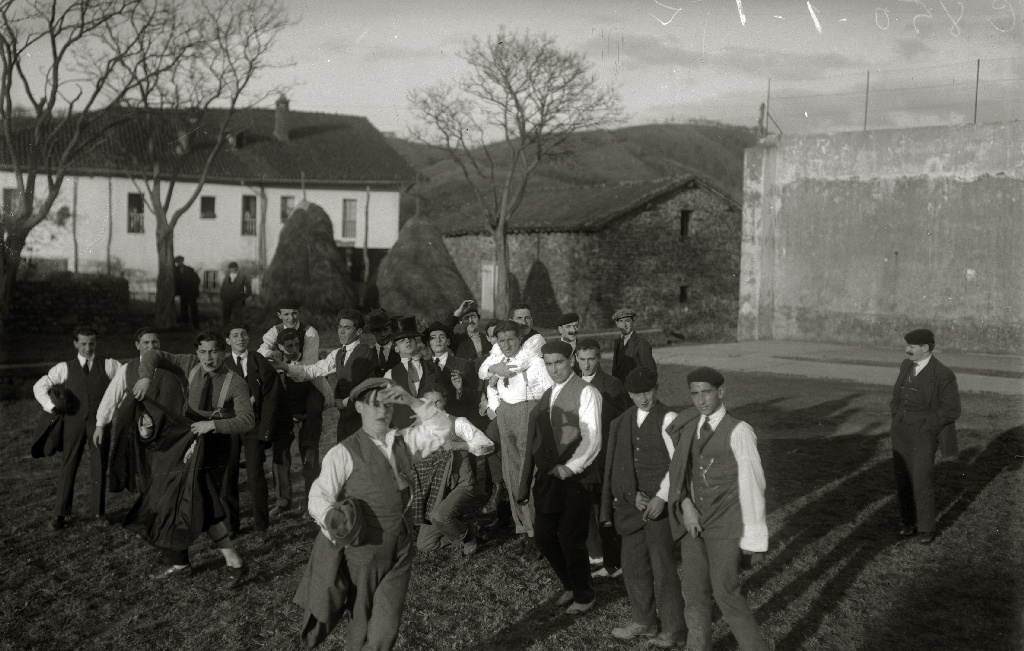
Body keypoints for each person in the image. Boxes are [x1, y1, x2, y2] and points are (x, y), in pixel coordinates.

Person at [294, 378, 480, 649]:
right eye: (374, 405)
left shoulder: (403, 441)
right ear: (359, 407)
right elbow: (318, 496)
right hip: (365, 549)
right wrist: (334, 523)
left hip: (400, 547)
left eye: (387, 405)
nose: (382, 411)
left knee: (387, 627)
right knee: (362, 622)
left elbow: (441, 428)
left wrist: (414, 401)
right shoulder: (343, 452)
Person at [132, 329, 255, 587]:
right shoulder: (189, 364)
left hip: (215, 445)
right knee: (174, 496)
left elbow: (247, 420)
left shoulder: (236, 382)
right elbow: (153, 355)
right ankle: (182, 562)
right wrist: (145, 377)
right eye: (202, 352)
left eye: (213, 352)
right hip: (186, 440)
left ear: (223, 352)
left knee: (201, 502)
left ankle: (231, 561)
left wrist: (213, 426)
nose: (208, 358)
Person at [667, 367, 769, 651]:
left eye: (707, 393)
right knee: (693, 592)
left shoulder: (739, 431)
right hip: (694, 523)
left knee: (726, 593)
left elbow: (753, 485)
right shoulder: (690, 425)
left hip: (725, 524)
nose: (700, 400)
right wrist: (685, 504)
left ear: (721, 392)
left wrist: (752, 537)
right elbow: (681, 473)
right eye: (695, 394)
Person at [600, 367, 687, 648]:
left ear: (656, 389)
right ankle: (644, 621)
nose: (643, 398)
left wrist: (661, 496)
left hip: (660, 507)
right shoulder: (623, 421)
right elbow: (618, 465)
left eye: (648, 392)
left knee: (663, 567)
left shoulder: (668, 418)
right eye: (637, 394)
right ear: (629, 394)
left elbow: (678, 463)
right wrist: (631, 495)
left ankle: (674, 628)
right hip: (634, 507)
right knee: (633, 565)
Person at [518, 340, 602, 614]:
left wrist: (571, 467)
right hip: (550, 478)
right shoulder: (549, 394)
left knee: (570, 538)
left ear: (571, 361)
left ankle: (585, 594)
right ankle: (570, 583)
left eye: (559, 363)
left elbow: (592, 438)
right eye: (549, 364)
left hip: (577, 479)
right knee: (544, 537)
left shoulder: (587, 392)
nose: (554, 369)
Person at [34, 326, 121, 530]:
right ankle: (60, 514)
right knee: (69, 464)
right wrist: (51, 406)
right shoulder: (64, 368)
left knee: (99, 465)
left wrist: (114, 409)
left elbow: (124, 385)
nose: (88, 348)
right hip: (73, 422)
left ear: (96, 343)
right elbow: (39, 386)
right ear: (75, 344)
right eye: (83, 344)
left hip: (99, 423)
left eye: (91, 343)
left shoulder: (109, 365)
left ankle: (98, 513)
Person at [484, 320, 554, 542]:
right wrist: (497, 407)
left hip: (528, 415)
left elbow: (550, 393)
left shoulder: (535, 362)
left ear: (520, 339)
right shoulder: (499, 363)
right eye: (501, 341)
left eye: (511, 340)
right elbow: (490, 386)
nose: (506, 345)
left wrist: (537, 416)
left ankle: (538, 529)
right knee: (511, 472)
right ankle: (523, 526)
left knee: (530, 473)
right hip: (506, 417)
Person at [890, 328, 961, 545]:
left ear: (925, 347)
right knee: (903, 479)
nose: (906, 350)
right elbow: (897, 396)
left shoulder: (943, 374)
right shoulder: (906, 365)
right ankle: (908, 522)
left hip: (923, 434)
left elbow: (951, 409)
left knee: (921, 479)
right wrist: (897, 417)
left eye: (911, 346)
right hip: (901, 431)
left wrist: (927, 426)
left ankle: (926, 528)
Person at [413, 385, 494, 554]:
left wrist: (461, 445)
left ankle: (466, 538)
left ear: (444, 401)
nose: (434, 407)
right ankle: (471, 529)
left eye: (438, 401)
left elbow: (488, 445)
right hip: (438, 491)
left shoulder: (457, 422)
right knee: (425, 545)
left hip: (463, 485)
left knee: (439, 516)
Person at [273, 309, 375, 443]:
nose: (341, 332)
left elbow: (361, 386)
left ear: (359, 331)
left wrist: (344, 402)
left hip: (362, 415)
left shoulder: (364, 351)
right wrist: (285, 367)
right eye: (340, 327)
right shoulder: (338, 353)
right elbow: (314, 370)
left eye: (347, 328)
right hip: (346, 415)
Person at [576, 338, 628, 580]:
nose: (587, 364)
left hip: (604, 453)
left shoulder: (612, 383)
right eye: (582, 359)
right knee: (584, 504)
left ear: (599, 358)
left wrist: (597, 400)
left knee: (605, 505)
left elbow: (621, 417)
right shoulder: (572, 382)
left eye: (591, 359)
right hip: (580, 454)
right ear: (576, 359)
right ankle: (595, 554)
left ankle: (614, 561)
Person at [223, 322, 279, 535]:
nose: (240, 339)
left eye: (244, 334)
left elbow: (271, 394)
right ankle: (231, 525)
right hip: (230, 426)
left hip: (253, 425)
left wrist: (265, 429)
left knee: (255, 474)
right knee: (228, 473)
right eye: (235, 335)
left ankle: (261, 525)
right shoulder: (223, 364)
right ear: (228, 340)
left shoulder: (258, 360)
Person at [257, 297, 328, 453]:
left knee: (314, 410)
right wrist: (270, 353)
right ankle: (268, 445)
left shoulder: (309, 332)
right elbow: (261, 349)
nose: (291, 318)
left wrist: (285, 366)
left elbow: (309, 367)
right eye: (286, 314)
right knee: (272, 409)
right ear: (279, 315)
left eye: (294, 313)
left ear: (299, 313)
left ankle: (310, 456)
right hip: (285, 381)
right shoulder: (275, 330)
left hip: (308, 380)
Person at [382, 320, 438, 429]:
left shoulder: (432, 367)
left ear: (416, 343)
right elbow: (387, 406)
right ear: (396, 348)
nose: (408, 341)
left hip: (431, 426)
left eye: (411, 338)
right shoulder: (390, 374)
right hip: (405, 429)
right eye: (402, 340)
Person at [476, 303, 545, 385]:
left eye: (527, 318)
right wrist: (493, 368)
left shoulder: (537, 340)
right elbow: (482, 371)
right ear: (511, 321)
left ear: (532, 321)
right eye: (519, 318)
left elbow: (517, 365)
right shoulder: (504, 338)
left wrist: (495, 375)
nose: (524, 322)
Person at [611, 308, 656, 384]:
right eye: (621, 321)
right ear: (617, 324)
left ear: (633, 322)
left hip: (636, 388)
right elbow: (616, 370)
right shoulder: (617, 343)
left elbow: (650, 371)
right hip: (620, 388)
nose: (624, 325)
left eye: (627, 321)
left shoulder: (642, 343)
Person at [366, 308, 400, 377]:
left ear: (391, 329)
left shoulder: (399, 352)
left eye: (385, 330)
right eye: (378, 331)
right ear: (373, 332)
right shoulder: (368, 355)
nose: (382, 334)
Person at [174, 256, 201, 329]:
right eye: (177, 262)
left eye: (180, 261)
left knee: (193, 309)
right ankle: (185, 326)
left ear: (182, 261)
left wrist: (192, 287)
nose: (178, 263)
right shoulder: (175, 271)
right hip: (183, 293)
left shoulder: (189, 269)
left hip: (191, 293)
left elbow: (197, 280)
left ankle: (196, 326)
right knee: (184, 309)